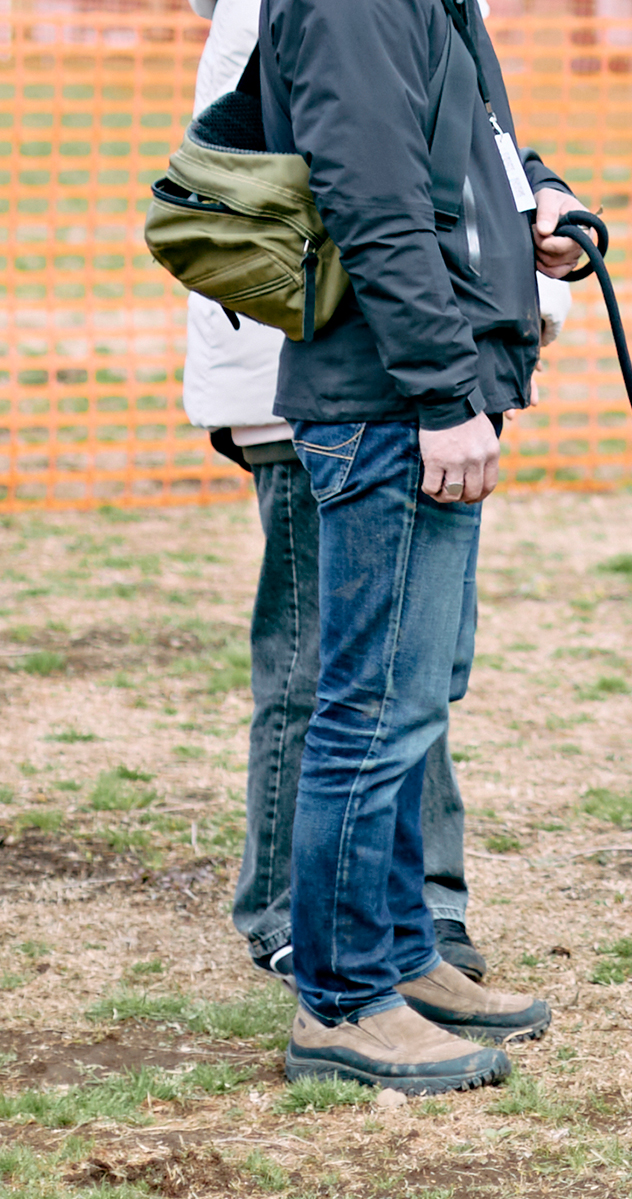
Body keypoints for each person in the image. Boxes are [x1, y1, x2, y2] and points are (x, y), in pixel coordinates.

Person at [178, 0, 570, 994]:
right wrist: (445, 389)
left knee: (403, 693)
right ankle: (343, 983)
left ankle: (404, 944)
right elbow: (374, 195)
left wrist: (541, 200)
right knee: (351, 694)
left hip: (411, 376)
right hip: (378, 387)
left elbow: (460, 142)